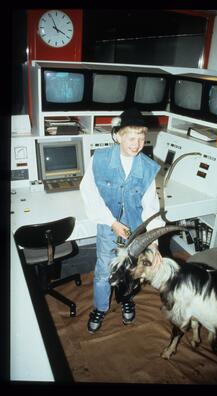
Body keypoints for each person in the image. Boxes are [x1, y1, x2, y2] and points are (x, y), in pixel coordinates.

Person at [80, 107, 165, 333]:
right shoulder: (99, 159)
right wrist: (112, 222)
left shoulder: (147, 167)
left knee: (130, 270)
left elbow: (151, 208)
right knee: (103, 271)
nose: (136, 144)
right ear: (117, 135)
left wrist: (154, 244)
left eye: (141, 137)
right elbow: (89, 192)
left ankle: (126, 298)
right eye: (131, 137)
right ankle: (100, 307)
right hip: (109, 228)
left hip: (136, 231)